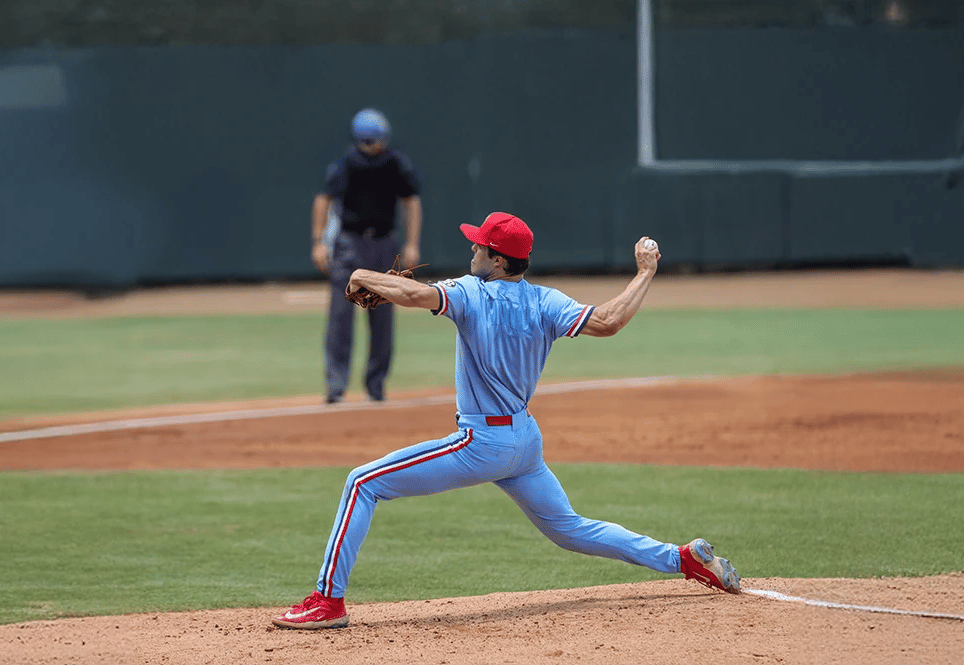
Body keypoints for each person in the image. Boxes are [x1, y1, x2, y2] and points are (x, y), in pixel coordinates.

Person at [273, 212, 741, 630]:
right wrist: (645, 272)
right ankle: (682, 559)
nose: (472, 248)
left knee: (362, 482)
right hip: (524, 443)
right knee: (570, 528)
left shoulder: (470, 292)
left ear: (497, 260)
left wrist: (362, 274)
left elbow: (415, 294)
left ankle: (327, 601)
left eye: (479, 245)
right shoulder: (545, 301)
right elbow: (609, 320)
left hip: (481, 444)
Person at [311, 108, 423, 404]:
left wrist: (412, 243)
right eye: (369, 140)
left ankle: (376, 386)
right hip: (350, 243)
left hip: (384, 242)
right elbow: (323, 199)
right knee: (340, 317)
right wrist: (319, 242)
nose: (373, 146)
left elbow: (411, 201)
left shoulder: (396, 163)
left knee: (383, 318)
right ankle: (336, 387)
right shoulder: (346, 164)